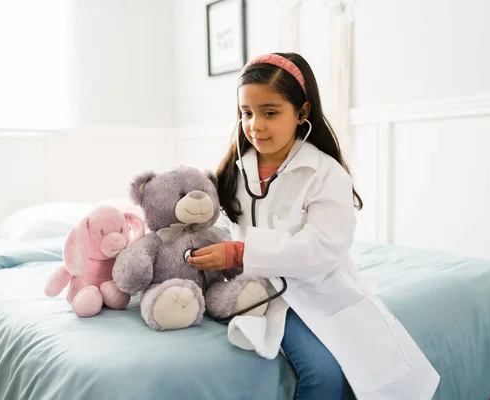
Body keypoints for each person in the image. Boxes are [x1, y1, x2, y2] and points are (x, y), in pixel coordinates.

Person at [186, 52, 440, 400]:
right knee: (322, 370)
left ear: (302, 112)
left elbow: (322, 247)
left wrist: (240, 253)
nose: (255, 125)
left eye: (270, 113)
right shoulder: (234, 170)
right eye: (247, 113)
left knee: (326, 374)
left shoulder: (325, 173)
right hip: (257, 290)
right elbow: (211, 220)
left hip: (316, 289)